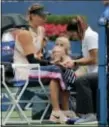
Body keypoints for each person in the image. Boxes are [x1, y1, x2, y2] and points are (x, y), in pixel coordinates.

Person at [13, 4, 76, 124]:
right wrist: (50, 63)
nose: (44, 18)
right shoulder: (24, 33)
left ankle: (66, 110)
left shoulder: (39, 32)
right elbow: (32, 60)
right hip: (24, 72)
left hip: (35, 70)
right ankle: (56, 112)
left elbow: (39, 56)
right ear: (32, 16)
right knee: (56, 70)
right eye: (41, 16)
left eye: (45, 15)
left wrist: (42, 40)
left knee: (61, 69)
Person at [61, 16, 99, 123]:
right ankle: (85, 114)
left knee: (81, 80)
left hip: (103, 73)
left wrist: (75, 62)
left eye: (73, 34)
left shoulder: (90, 36)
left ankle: (88, 114)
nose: (74, 37)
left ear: (78, 30)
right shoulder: (85, 38)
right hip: (94, 73)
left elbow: (94, 59)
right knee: (76, 79)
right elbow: (87, 61)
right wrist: (74, 66)